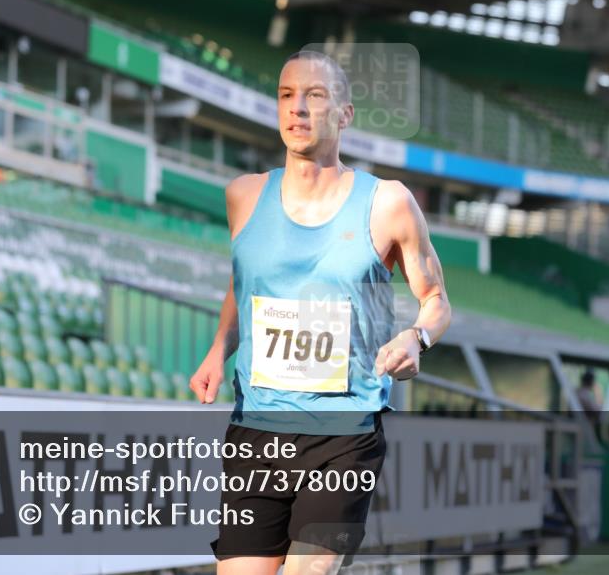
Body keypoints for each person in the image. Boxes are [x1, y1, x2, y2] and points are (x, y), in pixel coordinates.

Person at [190, 50, 452, 575]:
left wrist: (416, 338)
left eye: (315, 95)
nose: (298, 109)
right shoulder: (243, 196)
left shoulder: (388, 203)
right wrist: (219, 349)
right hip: (257, 430)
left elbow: (436, 301)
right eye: (287, 95)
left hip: (344, 434)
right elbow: (243, 286)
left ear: (345, 113)